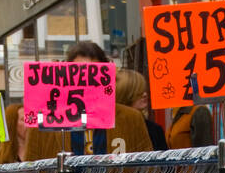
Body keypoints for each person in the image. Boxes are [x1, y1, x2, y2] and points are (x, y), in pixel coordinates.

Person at [22, 40, 151, 159]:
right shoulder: (43, 124)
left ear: (105, 77)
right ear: (66, 76)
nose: (85, 82)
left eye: (92, 73)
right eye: (78, 73)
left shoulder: (131, 119)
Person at [115, 70, 167, 151]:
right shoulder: (109, 129)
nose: (145, 94)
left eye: (144, 89)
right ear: (125, 93)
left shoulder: (155, 130)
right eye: (138, 90)